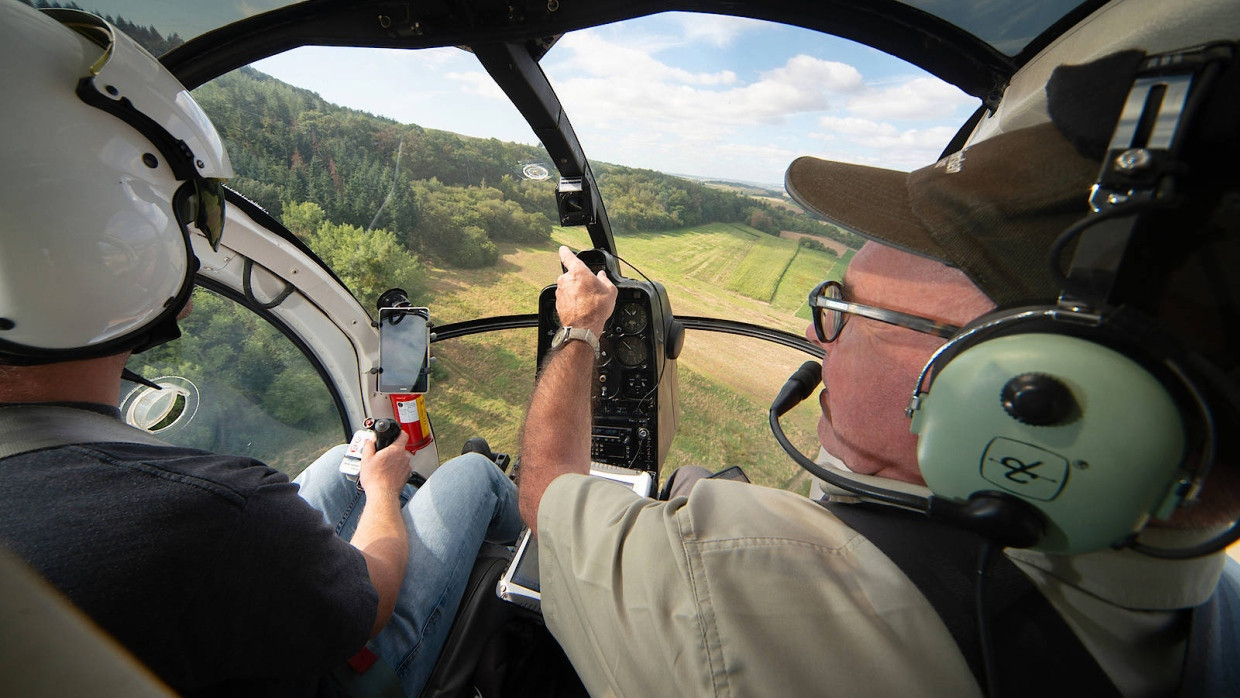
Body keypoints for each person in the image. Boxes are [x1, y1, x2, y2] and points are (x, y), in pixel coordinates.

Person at [518, 48, 1240, 698]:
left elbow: (549, 497)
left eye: (842, 307)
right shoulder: (1220, 614)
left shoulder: (736, 575)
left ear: (1022, 396)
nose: (812, 331)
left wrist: (581, 326)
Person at [0, 4, 521, 696]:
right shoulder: (212, 513)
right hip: (342, 668)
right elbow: (372, 599)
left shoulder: (210, 506)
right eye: (188, 218)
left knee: (343, 461)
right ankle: (540, 600)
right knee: (472, 478)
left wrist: (364, 481)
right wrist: (384, 492)